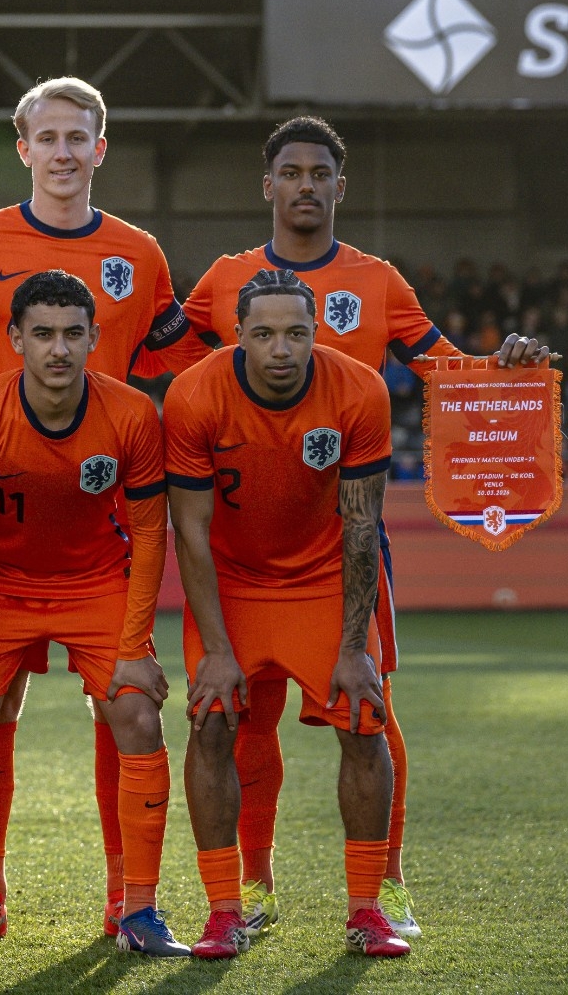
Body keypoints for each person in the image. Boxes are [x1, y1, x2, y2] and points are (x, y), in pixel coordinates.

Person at [179, 116, 552, 939]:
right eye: (291, 172)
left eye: (320, 173)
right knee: (243, 722)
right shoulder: (225, 279)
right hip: (241, 543)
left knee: (369, 711)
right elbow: (153, 355)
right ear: (267, 185)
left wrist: (504, 368)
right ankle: (257, 885)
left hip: (340, 539)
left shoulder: (378, 281)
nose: (305, 185)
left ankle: (385, 886)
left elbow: (441, 366)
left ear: (340, 189)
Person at [0, 76, 210, 939]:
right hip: (1, 526)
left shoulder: (140, 251)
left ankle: (132, 904)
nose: (61, 151)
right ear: (24, 149)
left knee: (123, 705)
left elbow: (178, 351)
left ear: (99, 148)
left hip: (104, 529)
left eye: (76, 137)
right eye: (45, 137)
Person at [0, 271, 182, 960]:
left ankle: (138, 909)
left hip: (96, 581)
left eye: (73, 333)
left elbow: (152, 533)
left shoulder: (131, 414)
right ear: (15, 340)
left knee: (136, 710)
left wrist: (134, 643)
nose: (58, 349)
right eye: (42, 334)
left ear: (95, 338)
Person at [164, 270, 409, 960]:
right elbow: (191, 530)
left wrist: (354, 645)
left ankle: (366, 909)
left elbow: (362, 525)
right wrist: (215, 648)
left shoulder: (359, 389)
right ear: (238, 334)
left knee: (366, 719)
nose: (281, 348)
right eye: (264, 333)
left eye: (296, 333)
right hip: (234, 583)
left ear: (316, 333)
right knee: (213, 723)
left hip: (323, 579)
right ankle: (224, 910)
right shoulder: (194, 394)